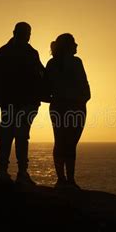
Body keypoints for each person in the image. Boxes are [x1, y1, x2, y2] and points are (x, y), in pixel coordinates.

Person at [0, 22, 44, 185]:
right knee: (11, 136)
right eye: (26, 33)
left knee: (17, 137)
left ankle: (18, 172)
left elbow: (40, 74)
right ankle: (7, 171)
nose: (28, 36)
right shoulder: (8, 53)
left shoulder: (7, 52)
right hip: (13, 103)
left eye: (28, 33)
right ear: (16, 33)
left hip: (22, 103)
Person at [44, 34, 90, 189]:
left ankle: (62, 179)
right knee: (70, 144)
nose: (77, 46)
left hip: (59, 107)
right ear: (69, 46)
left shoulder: (51, 64)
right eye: (74, 44)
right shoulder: (76, 62)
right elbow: (85, 87)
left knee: (60, 141)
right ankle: (69, 180)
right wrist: (81, 99)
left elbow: (45, 89)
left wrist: (56, 98)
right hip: (76, 108)